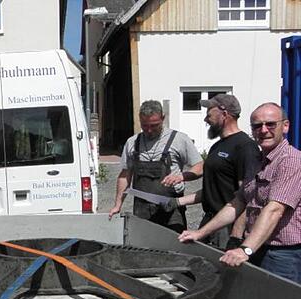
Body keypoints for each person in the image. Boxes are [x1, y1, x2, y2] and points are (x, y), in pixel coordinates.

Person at [179, 103, 301, 283]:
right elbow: (237, 203)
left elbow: (274, 209)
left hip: (283, 255)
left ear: (285, 126)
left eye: (270, 124)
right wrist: (200, 233)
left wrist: (245, 249)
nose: (264, 130)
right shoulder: (257, 161)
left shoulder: (290, 161)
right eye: (257, 126)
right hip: (257, 246)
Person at [172, 94, 262, 249]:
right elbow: (212, 191)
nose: (206, 120)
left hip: (227, 227)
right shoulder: (217, 147)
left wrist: (236, 234)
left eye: (209, 115)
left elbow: (247, 197)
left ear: (225, 114)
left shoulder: (245, 147)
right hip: (211, 221)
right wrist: (177, 202)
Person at [108, 100, 204, 233]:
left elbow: (200, 167)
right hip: (142, 210)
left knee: (174, 249)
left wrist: (181, 176)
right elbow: (125, 175)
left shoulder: (179, 139)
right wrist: (117, 205)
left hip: (171, 209)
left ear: (163, 118)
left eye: (154, 125)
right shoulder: (132, 143)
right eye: (144, 125)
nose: (149, 130)